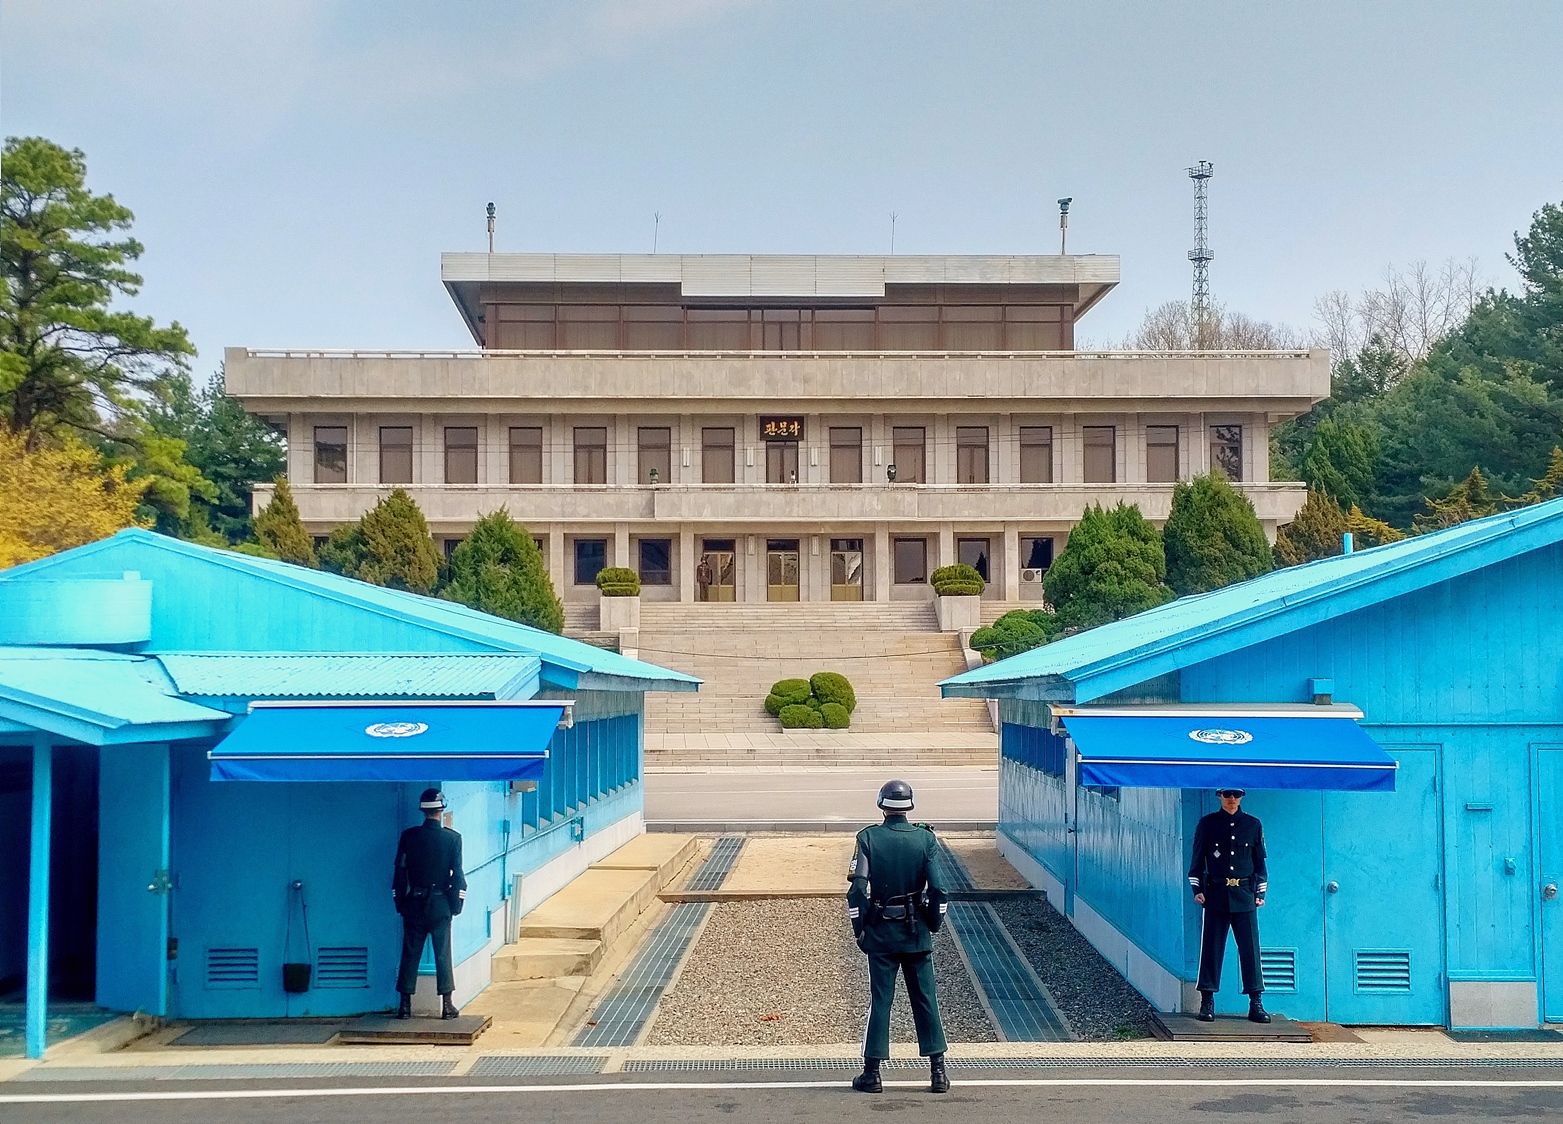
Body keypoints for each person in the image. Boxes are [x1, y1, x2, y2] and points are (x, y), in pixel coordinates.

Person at [846, 779, 950, 1095]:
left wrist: (861, 928)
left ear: (882, 805)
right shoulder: (926, 839)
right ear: (909, 808)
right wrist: (932, 924)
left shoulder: (867, 838)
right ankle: (938, 1072)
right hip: (916, 932)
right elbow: (939, 891)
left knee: (881, 1001)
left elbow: (857, 890)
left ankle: (872, 1073)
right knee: (926, 999)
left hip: (881, 935)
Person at [1187, 787, 1270, 1023]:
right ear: (1219, 796)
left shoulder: (1253, 825)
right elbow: (1196, 861)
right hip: (1216, 894)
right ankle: (1207, 1001)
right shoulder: (1207, 824)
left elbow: (1260, 864)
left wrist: (1259, 892)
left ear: (1242, 796)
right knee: (1212, 949)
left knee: (1250, 949)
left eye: (1236, 795)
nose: (1232, 799)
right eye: (1227, 795)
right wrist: (1198, 889)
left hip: (1244, 894)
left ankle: (1255, 1002)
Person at [392, 788, 467, 1019]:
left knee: (410, 952)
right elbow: (458, 877)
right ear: (441, 809)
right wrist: (455, 905)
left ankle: (405, 1005)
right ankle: (446, 1004)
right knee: (443, 954)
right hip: (440, 903)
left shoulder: (408, 837)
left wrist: (400, 902)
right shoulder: (452, 839)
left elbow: (399, 873)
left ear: (422, 811)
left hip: (414, 901)